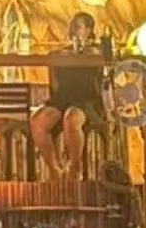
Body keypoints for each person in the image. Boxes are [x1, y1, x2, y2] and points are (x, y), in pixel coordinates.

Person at [32, 11, 109, 174]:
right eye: (72, 26)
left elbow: (99, 58)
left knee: (71, 118)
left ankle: (75, 167)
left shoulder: (95, 52)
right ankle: (54, 168)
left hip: (87, 101)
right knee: (37, 120)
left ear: (89, 30)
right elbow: (54, 82)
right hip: (63, 98)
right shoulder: (62, 53)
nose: (73, 30)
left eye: (78, 26)